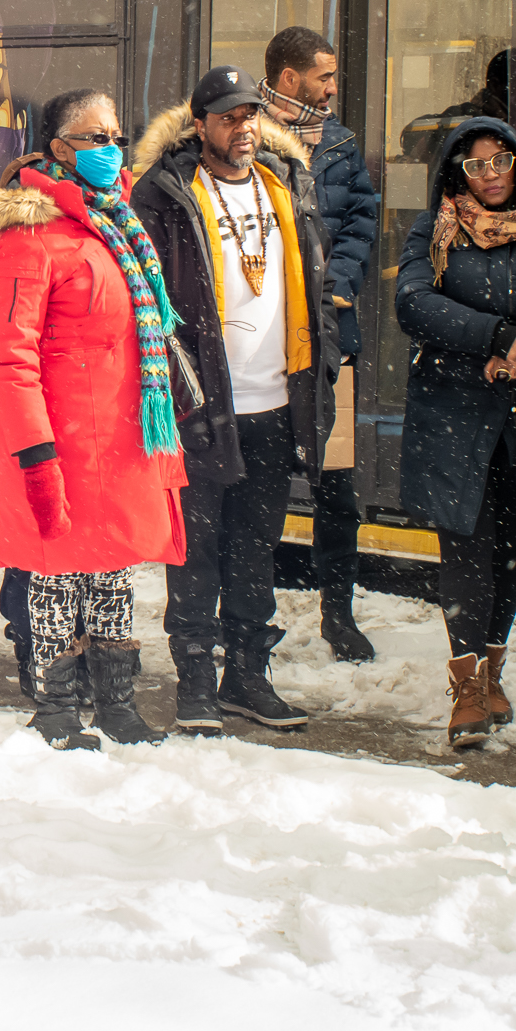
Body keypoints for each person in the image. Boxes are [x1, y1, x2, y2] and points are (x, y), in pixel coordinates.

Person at [0, 89, 185, 748]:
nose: (112, 149)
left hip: (117, 437)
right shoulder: (25, 233)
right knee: (57, 573)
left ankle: (116, 703)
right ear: (58, 149)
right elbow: (11, 359)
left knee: (112, 569)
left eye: (117, 135)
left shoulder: (110, 222)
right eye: (95, 138)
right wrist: (33, 454)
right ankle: (57, 708)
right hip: (59, 439)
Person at [131, 66, 335, 734]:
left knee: (256, 547)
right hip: (203, 407)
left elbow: (315, 279)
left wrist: (323, 369)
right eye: (227, 117)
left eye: (249, 115)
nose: (242, 128)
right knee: (196, 550)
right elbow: (146, 307)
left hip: (276, 402)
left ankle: (246, 676)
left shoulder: (287, 184)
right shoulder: (164, 195)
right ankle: (194, 681)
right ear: (201, 125)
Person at [395, 119, 516, 749]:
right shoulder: (434, 228)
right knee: (465, 543)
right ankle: (467, 684)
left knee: (511, 543)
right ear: (455, 173)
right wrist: (498, 337)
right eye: (475, 166)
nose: (490, 173)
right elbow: (413, 304)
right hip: (456, 411)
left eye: (500, 160)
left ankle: (494, 669)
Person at [259, 26, 380, 662]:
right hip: (265, 343)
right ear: (289, 79)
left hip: (331, 338)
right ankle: (254, 612)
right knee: (261, 486)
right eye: (324, 77)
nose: (333, 89)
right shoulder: (240, 135)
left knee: (336, 486)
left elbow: (362, 217)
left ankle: (340, 613)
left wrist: (334, 286)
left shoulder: (338, 142)